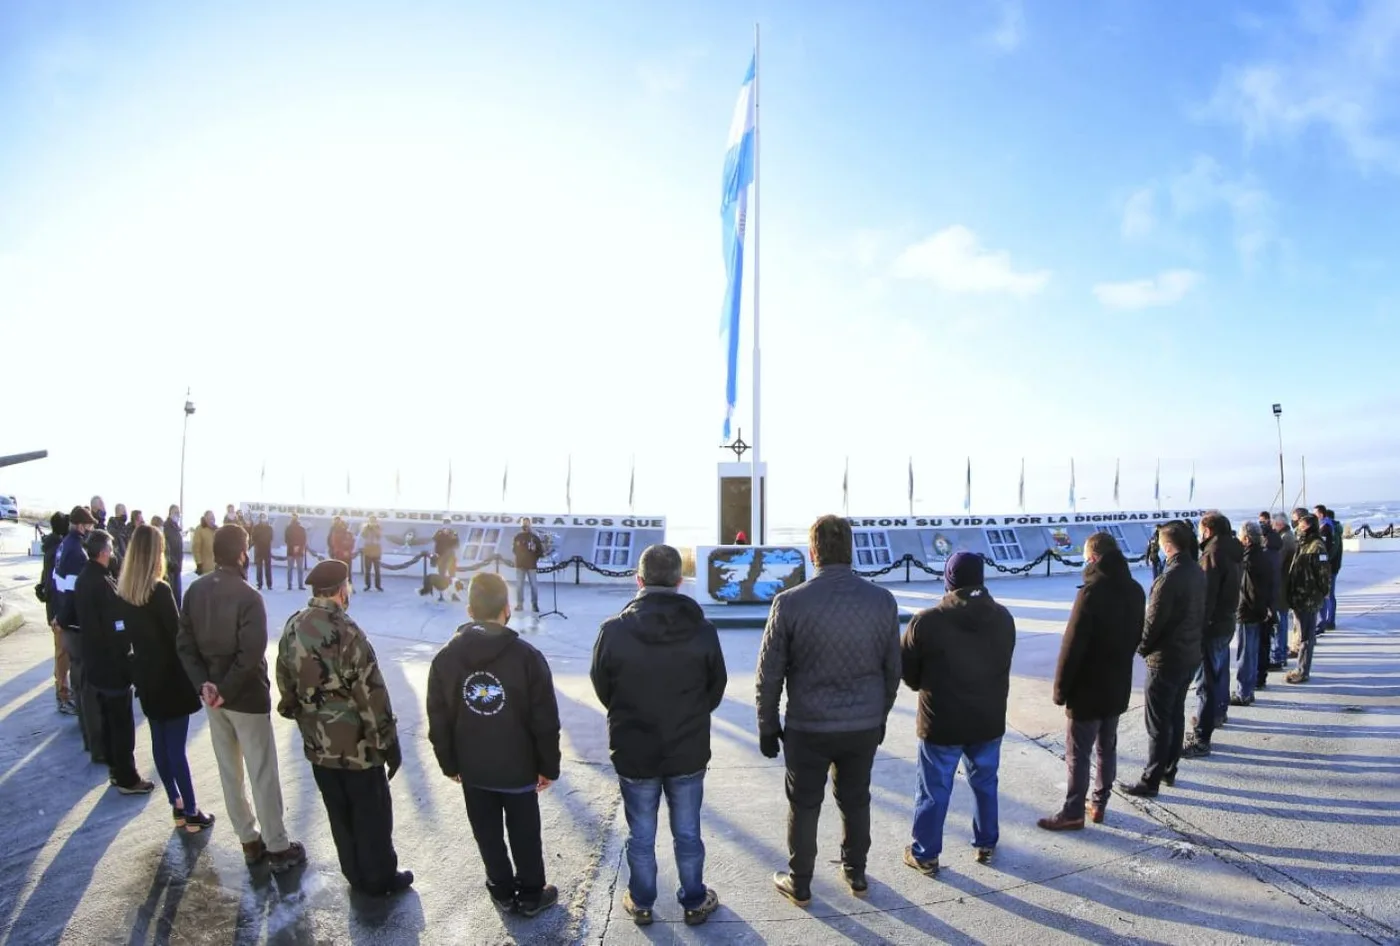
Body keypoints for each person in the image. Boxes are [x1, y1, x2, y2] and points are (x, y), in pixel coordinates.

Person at [755, 515, 900, 907]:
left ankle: (800, 882)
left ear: (813, 551)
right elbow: (893, 669)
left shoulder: (789, 602)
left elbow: (770, 673)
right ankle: (856, 874)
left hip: (808, 727)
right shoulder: (882, 600)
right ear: (850, 549)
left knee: (804, 805)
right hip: (863, 725)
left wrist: (767, 724)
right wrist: (880, 715)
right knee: (856, 799)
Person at [590, 545, 725, 927]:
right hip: (688, 750)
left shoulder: (613, 631)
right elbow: (716, 688)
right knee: (687, 832)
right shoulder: (703, 630)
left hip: (634, 749)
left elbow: (603, 687)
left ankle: (643, 900)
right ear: (680, 582)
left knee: (641, 835)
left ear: (639, 580)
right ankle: (694, 899)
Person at [426, 573, 561, 917]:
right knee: (525, 833)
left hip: (473, 768)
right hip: (518, 768)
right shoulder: (527, 657)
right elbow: (544, 719)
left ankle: (501, 889)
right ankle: (531, 893)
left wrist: (449, 764)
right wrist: (548, 766)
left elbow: (438, 719)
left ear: (470, 610)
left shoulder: (445, 658)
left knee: (486, 833)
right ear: (507, 608)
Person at [276, 560, 411, 896]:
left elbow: (284, 679)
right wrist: (387, 741)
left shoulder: (294, 625)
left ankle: (354, 873)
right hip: (357, 748)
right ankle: (379, 878)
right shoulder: (347, 632)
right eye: (347, 585)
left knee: (339, 813)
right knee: (372, 813)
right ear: (340, 589)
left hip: (318, 747)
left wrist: (307, 719)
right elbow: (371, 693)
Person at [177, 525, 307, 872]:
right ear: (241, 554)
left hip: (213, 699)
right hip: (245, 697)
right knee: (261, 771)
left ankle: (249, 841)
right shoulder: (249, 597)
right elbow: (250, 654)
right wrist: (225, 689)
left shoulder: (195, 591)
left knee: (229, 771)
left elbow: (185, 644)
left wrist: (205, 685)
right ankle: (278, 846)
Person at [901, 551, 1015, 870]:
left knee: (934, 789)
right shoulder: (1004, 618)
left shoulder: (926, 621)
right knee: (985, 783)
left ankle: (925, 854)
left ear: (948, 580)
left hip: (942, 722)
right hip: (988, 720)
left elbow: (907, 670)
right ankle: (987, 844)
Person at [1037, 533, 1144, 831]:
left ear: (1094, 558)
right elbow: (1138, 635)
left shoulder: (1090, 593)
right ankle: (1099, 803)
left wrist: (1060, 690)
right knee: (1106, 747)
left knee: (1078, 753)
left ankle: (1072, 811)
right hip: (1117, 684)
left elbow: (1072, 647)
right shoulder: (1136, 590)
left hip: (1087, 688)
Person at [116, 524, 214, 829]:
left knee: (159, 744)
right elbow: (178, 636)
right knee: (176, 749)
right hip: (171, 677)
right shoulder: (159, 591)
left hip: (146, 677)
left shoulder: (124, 592)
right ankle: (192, 811)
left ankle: (177, 803)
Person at [1122, 520, 1205, 797]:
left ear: (1167, 547)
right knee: (1175, 714)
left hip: (1167, 658)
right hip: (1188, 654)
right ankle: (1169, 768)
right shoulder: (1196, 570)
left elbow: (1153, 621)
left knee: (1158, 722)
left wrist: (1142, 648)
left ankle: (1151, 779)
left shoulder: (1169, 578)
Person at [76, 528, 155, 793]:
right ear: (103, 552)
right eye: (110, 549)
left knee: (108, 722)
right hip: (111, 666)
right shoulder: (101, 584)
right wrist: (127, 651)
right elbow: (115, 627)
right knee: (121, 724)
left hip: (95, 665)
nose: (113, 554)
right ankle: (127, 777)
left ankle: (114, 769)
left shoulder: (84, 579)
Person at [1184, 511, 1241, 759]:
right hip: (1227, 621)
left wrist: (1197, 626)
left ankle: (1202, 738)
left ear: (1207, 530)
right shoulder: (1234, 547)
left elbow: (1206, 596)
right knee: (1217, 675)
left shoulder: (1213, 553)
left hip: (1212, 625)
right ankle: (1217, 714)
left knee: (1205, 683)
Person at [54, 506, 104, 758]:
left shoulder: (65, 546)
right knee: (86, 685)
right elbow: (76, 593)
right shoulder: (78, 553)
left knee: (77, 679)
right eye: (90, 525)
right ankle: (93, 739)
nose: (91, 529)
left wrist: (58, 615)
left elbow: (57, 584)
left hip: (67, 623)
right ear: (81, 525)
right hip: (76, 626)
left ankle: (87, 734)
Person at [1231, 521, 1274, 706]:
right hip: (1257, 611)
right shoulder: (1262, 556)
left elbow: (1250, 592)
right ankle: (1248, 689)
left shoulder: (1249, 560)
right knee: (1251, 652)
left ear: (1247, 539)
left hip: (1249, 613)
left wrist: (1261, 611)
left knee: (1246, 654)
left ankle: (1244, 692)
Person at [1286, 515, 1331, 684]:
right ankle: (1300, 668)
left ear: (1308, 527)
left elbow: (1324, 576)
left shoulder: (1317, 547)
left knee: (1306, 637)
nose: (1297, 527)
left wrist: (1319, 594)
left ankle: (1303, 671)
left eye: (1300, 525)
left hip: (1308, 599)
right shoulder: (1303, 544)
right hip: (1298, 597)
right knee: (1302, 636)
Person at [40, 511, 76, 715]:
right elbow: (55, 585)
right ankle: (63, 695)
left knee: (61, 653)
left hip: (55, 610)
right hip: (58, 611)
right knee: (62, 654)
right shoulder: (57, 551)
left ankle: (62, 691)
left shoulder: (52, 548)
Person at [1271, 514, 1297, 668]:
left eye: (1274, 524)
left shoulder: (1284, 539)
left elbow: (1277, 563)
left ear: (1279, 524)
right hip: (1285, 583)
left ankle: (1279, 655)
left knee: (1280, 621)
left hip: (1282, 585)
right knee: (1282, 619)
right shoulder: (1288, 536)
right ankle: (1281, 652)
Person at [1314, 505, 1343, 632]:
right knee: (1329, 594)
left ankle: (1327, 621)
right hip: (1333, 565)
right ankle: (1328, 620)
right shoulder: (1334, 529)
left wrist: (1324, 563)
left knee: (1327, 595)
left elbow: (1329, 551)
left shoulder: (1328, 529)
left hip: (1330, 566)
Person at [511, 519, 544, 613]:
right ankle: (519, 604)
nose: (526, 526)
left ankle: (534, 605)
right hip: (520, 565)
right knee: (519, 586)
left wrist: (534, 554)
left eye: (527, 524)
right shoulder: (517, 537)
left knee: (534, 586)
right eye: (524, 524)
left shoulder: (534, 537)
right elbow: (514, 550)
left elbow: (540, 552)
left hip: (531, 566)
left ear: (530, 525)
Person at [432, 519, 461, 602]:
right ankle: (441, 595)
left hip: (450, 558)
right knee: (441, 577)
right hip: (441, 558)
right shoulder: (439, 533)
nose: (446, 526)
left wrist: (452, 538)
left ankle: (454, 595)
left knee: (453, 577)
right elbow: (435, 543)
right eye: (445, 524)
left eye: (448, 524)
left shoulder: (454, 533)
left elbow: (457, 545)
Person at [165, 506, 186, 606]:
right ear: (170, 513)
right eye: (175, 512)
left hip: (177, 566)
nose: (177, 515)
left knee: (177, 595)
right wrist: (171, 562)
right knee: (172, 594)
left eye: (178, 513)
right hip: (170, 567)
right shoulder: (167, 527)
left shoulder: (176, 528)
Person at [250, 514, 275, 591]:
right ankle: (259, 584)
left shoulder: (269, 528)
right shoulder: (256, 527)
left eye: (265, 517)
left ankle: (269, 584)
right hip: (259, 549)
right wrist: (259, 540)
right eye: (262, 517)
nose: (263, 519)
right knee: (259, 568)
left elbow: (271, 537)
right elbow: (253, 537)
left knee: (268, 568)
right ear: (260, 518)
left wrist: (265, 540)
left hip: (267, 549)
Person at [360, 515, 384, 592]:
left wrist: (374, 528)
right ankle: (367, 585)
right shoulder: (365, 527)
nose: (372, 522)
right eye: (371, 520)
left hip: (376, 550)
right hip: (368, 550)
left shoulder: (378, 527)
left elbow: (379, 536)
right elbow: (363, 535)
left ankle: (378, 586)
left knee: (377, 570)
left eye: (374, 520)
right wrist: (367, 527)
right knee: (367, 570)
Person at [285, 513, 308, 590]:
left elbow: (304, 540)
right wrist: (293, 546)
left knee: (300, 569)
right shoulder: (288, 528)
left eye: (296, 517)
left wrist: (298, 547)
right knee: (290, 569)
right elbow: (286, 539)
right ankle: (289, 585)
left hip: (300, 552)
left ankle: (300, 585)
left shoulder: (301, 529)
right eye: (293, 517)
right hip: (290, 551)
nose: (294, 519)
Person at [192, 511, 217, 576]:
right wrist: (199, 563)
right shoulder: (200, 529)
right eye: (210, 518)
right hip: (205, 568)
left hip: (216, 568)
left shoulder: (216, 530)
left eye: (213, 518)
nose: (212, 520)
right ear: (205, 519)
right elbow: (196, 548)